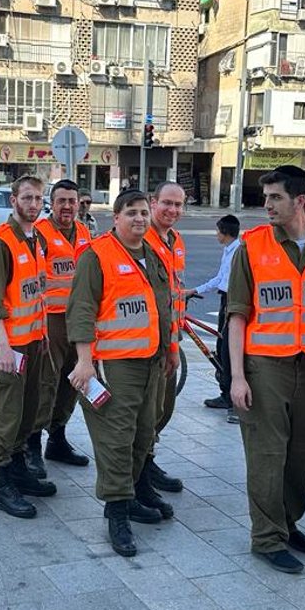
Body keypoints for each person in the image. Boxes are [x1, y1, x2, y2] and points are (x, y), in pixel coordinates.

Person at [227, 165, 305, 575]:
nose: (267, 205)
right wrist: (237, 377)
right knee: (266, 454)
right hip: (264, 367)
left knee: (300, 453)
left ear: (301, 203)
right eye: (266, 197)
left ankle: (288, 524)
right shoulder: (251, 247)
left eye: (275, 198)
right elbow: (236, 316)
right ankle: (267, 537)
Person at [67, 189, 174, 556]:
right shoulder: (97, 255)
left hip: (152, 362)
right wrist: (84, 361)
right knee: (117, 440)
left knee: (145, 433)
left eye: (144, 212)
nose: (140, 219)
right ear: (116, 217)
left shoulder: (154, 254)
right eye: (131, 212)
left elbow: (164, 306)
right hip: (114, 366)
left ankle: (135, 495)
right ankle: (117, 515)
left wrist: (170, 350)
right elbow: (80, 310)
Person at [0, 175, 57, 518]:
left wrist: (41, 337)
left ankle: (18, 471)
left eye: (38, 198)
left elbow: (34, 294)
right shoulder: (1, 243)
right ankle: (1, 486)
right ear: (13, 201)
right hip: (8, 347)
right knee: (5, 415)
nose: (33, 204)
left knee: (28, 412)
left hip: (33, 342)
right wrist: (5, 346)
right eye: (27, 198)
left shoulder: (35, 238)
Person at [30, 179, 91, 472]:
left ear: (78, 203)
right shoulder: (39, 234)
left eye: (72, 200)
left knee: (72, 382)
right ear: (51, 204)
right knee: (46, 382)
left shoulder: (84, 232)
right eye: (61, 201)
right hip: (49, 319)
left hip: (78, 320)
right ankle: (32, 444)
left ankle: (57, 439)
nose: (67, 206)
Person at [142, 181, 186, 494]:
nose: (172, 210)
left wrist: (174, 341)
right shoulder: (140, 240)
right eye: (166, 203)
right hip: (147, 342)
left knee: (163, 407)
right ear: (153, 202)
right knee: (148, 409)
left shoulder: (175, 240)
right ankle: (141, 467)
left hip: (170, 338)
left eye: (178, 205)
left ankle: (147, 458)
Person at [184, 214, 241, 418]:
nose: (216, 234)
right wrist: (194, 290)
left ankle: (235, 403)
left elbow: (229, 281)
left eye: (218, 231)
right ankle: (225, 394)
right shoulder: (228, 250)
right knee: (220, 347)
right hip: (224, 299)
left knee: (228, 350)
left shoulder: (238, 252)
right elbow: (219, 278)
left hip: (232, 301)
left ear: (225, 233)